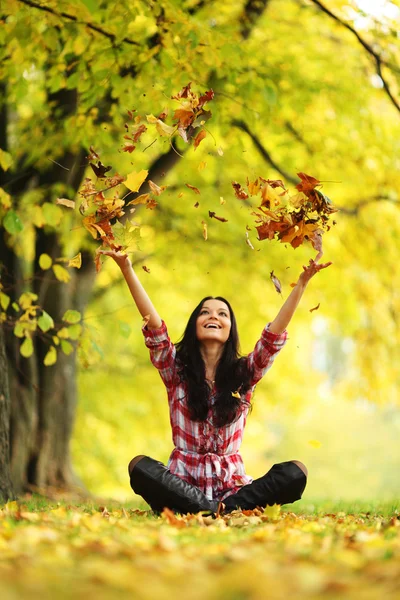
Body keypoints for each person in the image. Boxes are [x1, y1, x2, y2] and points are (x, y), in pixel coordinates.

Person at [102, 249, 331, 515]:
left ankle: (221, 508)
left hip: (233, 492)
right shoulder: (176, 371)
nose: (214, 317)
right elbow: (155, 329)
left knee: (296, 472)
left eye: (223, 314)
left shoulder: (245, 374)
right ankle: (213, 509)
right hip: (183, 489)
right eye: (205, 312)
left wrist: (301, 283)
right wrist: (127, 268)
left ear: (230, 328)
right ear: (194, 324)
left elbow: (273, 338)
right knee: (139, 466)